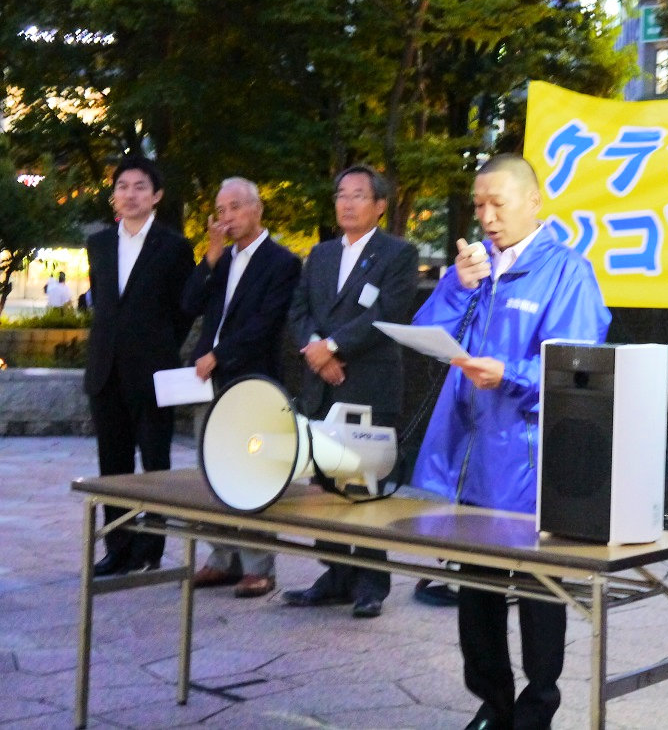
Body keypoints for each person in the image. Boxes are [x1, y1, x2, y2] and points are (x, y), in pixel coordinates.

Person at [411, 154, 611, 730]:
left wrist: (511, 375)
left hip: (527, 462)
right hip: (468, 459)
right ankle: (492, 704)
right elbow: (429, 336)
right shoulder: (478, 271)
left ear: (534, 202)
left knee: (539, 591)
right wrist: (456, 283)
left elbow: (577, 369)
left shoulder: (567, 271)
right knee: (475, 591)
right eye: (479, 205)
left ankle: (537, 707)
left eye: (498, 203)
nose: (487, 217)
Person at [283, 164, 418, 618]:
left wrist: (334, 348)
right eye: (341, 194)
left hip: (368, 383)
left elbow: (389, 311)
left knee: (364, 485)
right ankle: (336, 574)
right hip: (321, 384)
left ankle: (371, 582)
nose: (346, 202)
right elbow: (298, 311)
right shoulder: (319, 254)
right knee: (324, 486)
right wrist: (314, 351)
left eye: (358, 195)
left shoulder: (398, 253)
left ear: (380, 206)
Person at [181, 177, 301, 598]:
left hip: (252, 378)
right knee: (210, 468)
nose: (226, 217)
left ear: (257, 209)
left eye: (235, 207)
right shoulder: (221, 259)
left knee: (251, 472)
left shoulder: (282, 262)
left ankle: (258, 565)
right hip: (208, 379)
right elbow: (189, 305)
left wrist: (221, 355)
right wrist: (209, 259)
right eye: (221, 209)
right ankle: (222, 557)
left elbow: (265, 324)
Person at [84, 154, 195, 576]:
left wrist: (160, 346)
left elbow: (183, 310)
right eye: (122, 187)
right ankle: (117, 547)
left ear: (157, 196)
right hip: (105, 371)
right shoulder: (98, 244)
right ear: (113, 196)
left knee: (154, 464)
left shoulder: (174, 246)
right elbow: (105, 305)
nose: (130, 195)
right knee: (112, 468)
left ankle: (150, 545)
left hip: (153, 373)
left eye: (140, 187)